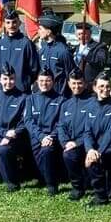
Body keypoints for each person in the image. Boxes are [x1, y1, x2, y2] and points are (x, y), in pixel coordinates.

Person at [83, 71, 111, 206]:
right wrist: (90, 149)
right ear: (95, 87)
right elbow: (87, 131)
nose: (105, 90)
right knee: (91, 159)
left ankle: (101, 197)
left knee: (95, 161)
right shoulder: (90, 106)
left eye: (108, 86)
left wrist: (99, 151)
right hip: (95, 148)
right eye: (101, 86)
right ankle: (101, 194)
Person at [24, 67, 65, 195]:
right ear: (37, 81)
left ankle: (52, 185)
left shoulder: (60, 100)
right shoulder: (30, 99)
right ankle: (47, 177)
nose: (44, 84)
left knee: (47, 151)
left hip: (53, 138)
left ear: (53, 82)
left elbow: (61, 123)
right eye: (41, 80)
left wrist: (50, 137)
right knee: (39, 167)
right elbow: (28, 121)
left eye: (47, 81)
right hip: (37, 138)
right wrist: (41, 137)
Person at [0, 64, 29, 191]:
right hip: (0, 136)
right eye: (5, 79)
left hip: (16, 138)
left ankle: (13, 183)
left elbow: (24, 121)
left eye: (11, 78)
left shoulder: (23, 98)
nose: (8, 82)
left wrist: (13, 133)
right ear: (0, 79)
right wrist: (4, 133)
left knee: (4, 150)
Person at [58, 69, 93, 200]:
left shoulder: (92, 102)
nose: (76, 86)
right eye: (73, 83)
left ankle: (81, 185)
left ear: (84, 84)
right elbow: (61, 126)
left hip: (85, 144)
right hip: (69, 143)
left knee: (69, 155)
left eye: (79, 83)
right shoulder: (66, 104)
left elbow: (92, 129)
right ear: (68, 83)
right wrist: (65, 142)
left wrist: (77, 142)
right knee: (68, 154)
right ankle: (77, 186)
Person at [0, 9, 39, 93]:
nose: (11, 25)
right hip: (3, 90)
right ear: (4, 24)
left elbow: (34, 68)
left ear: (19, 23)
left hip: (21, 91)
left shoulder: (26, 43)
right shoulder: (0, 43)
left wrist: (25, 82)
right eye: (8, 22)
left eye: (14, 22)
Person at [37, 14, 74, 97]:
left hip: (59, 96)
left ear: (49, 31)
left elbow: (70, 75)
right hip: (44, 95)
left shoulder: (63, 51)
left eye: (40, 29)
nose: (38, 31)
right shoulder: (42, 50)